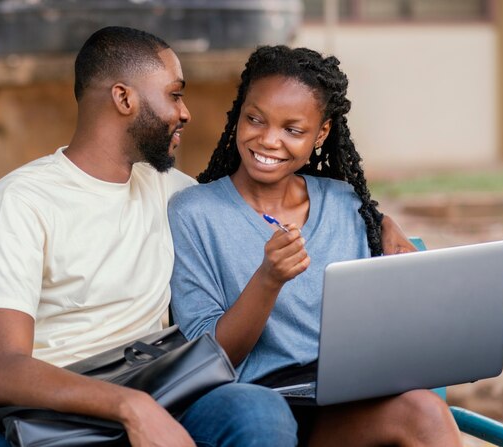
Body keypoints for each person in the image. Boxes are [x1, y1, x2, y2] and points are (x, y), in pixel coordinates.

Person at [0, 27, 300, 447]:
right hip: (24, 416)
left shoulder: (174, 192)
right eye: (174, 94)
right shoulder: (22, 200)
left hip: (149, 390)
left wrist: (377, 221)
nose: (186, 112)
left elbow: (268, 195)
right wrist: (130, 407)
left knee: (257, 414)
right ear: (123, 99)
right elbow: (1, 371)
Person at [168, 45, 463, 446]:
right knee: (263, 418)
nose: (268, 140)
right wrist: (268, 279)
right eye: (255, 119)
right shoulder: (194, 213)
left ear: (321, 133)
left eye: (292, 130)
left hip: (339, 408)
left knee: (425, 410)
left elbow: (375, 329)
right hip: (253, 405)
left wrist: (385, 229)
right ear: (238, 114)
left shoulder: (344, 204)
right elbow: (208, 357)